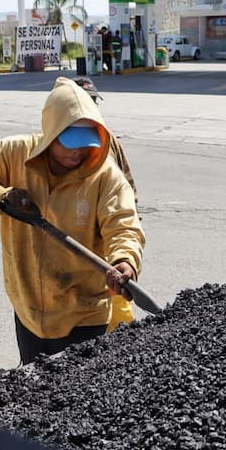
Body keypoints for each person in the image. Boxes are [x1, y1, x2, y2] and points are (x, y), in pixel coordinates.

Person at [0, 77, 145, 365]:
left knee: (80, 385)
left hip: (84, 314)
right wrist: (0, 197)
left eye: (84, 144)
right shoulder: (15, 155)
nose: (76, 152)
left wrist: (125, 260)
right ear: (51, 133)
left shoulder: (105, 176)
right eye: (69, 143)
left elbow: (123, 224)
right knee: (33, 382)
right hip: (29, 310)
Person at [72, 76, 138, 333]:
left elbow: (128, 190)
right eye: (85, 102)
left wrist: (126, 239)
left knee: (119, 319)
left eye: (93, 102)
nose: (91, 108)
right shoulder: (57, 142)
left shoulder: (108, 140)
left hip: (107, 246)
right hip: (75, 247)